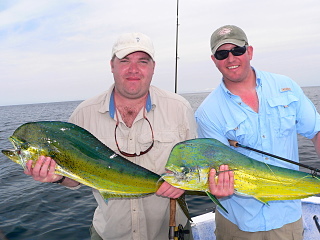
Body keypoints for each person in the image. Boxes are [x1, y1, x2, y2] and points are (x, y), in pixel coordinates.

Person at [24, 32, 197, 240]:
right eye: (125, 61)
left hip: (169, 232)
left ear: (153, 67)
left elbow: (196, 168)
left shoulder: (180, 108)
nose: (133, 69)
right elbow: (75, 179)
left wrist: (184, 183)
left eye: (142, 61)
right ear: (112, 65)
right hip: (109, 234)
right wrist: (58, 177)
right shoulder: (84, 114)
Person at [195, 25, 320, 240]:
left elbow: (316, 132)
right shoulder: (207, 112)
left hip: (287, 217)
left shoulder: (286, 87)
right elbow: (215, 167)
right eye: (222, 53)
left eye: (237, 50)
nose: (231, 58)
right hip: (238, 223)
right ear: (214, 60)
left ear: (249, 51)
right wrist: (215, 187)